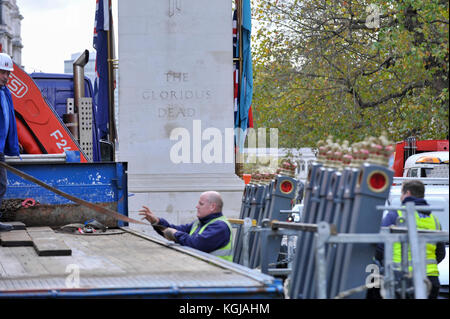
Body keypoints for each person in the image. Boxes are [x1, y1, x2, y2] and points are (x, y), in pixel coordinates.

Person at [370, 180, 446, 299]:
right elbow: (441, 252)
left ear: (408, 193)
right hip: (430, 280)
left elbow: (380, 246)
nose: (401, 197)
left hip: (401, 279)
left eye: (402, 193)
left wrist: (381, 265)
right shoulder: (434, 220)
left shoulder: (396, 215)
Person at [139, 191, 233, 261]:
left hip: (216, 277)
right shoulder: (199, 223)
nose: (197, 206)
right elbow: (174, 230)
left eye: (201, 204)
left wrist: (175, 235)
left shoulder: (220, 227)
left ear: (212, 206)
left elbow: (196, 244)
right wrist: (156, 222)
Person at [0, 53, 20, 232]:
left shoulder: (5, 93)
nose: (6, 77)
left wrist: (13, 144)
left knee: (1, 184)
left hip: (0, 149)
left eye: (8, 73)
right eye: (3, 72)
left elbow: (9, 121)